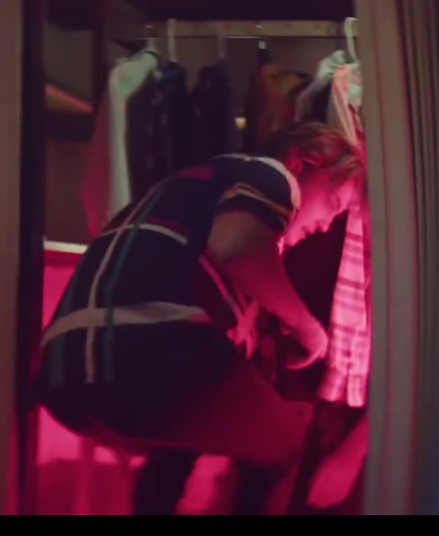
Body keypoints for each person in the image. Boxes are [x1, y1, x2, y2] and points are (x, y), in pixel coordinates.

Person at [35, 121, 366, 514]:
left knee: (190, 435)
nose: (327, 223)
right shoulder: (270, 174)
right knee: (286, 440)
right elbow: (236, 247)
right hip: (145, 356)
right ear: (301, 163)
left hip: (64, 377)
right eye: (333, 203)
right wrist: (308, 328)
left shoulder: (192, 188)